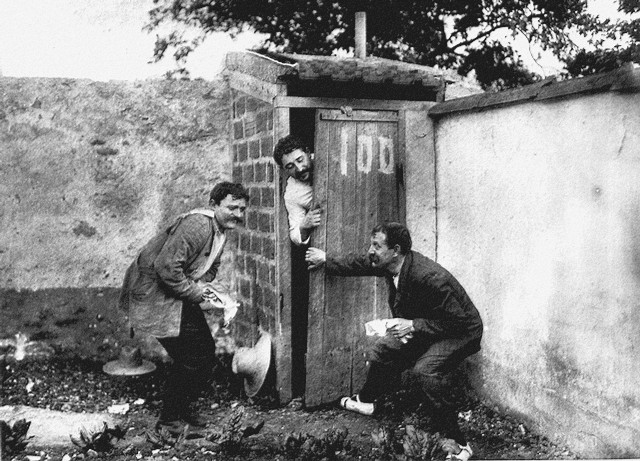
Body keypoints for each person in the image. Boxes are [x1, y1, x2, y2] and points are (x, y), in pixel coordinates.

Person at [305, 222, 483, 461]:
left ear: (396, 250)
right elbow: (360, 263)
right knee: (385, 347)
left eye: (376, 246)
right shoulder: (389, 265)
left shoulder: (428, 276)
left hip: (461, 331)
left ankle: (460, 445)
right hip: (432, 325)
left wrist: (413, 325)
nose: (370, 250)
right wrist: (326, 259)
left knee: (426, 371)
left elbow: (458, 321)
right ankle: (367, 401)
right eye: (371, 244)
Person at [118, 182, 249, 434]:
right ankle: (169, 420)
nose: (238, 215)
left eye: (242, 209)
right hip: (155, 294)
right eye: (232, 207)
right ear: (214, 205)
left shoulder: (220, 231)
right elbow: (166, 268)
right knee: (193, 356)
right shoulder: (199, 225)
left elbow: (209, 267)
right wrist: (199, 294)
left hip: (175, 293)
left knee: (202, 352)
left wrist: (211, 291)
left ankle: (182, 410)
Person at [272, 134, 321, 246]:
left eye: (300, 160)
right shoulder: (292, 194)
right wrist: (304, 226)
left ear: (308, 153)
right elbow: (295, 236)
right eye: (290, 166)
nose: (299, 169)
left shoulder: (327, 159)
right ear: (284, 169)